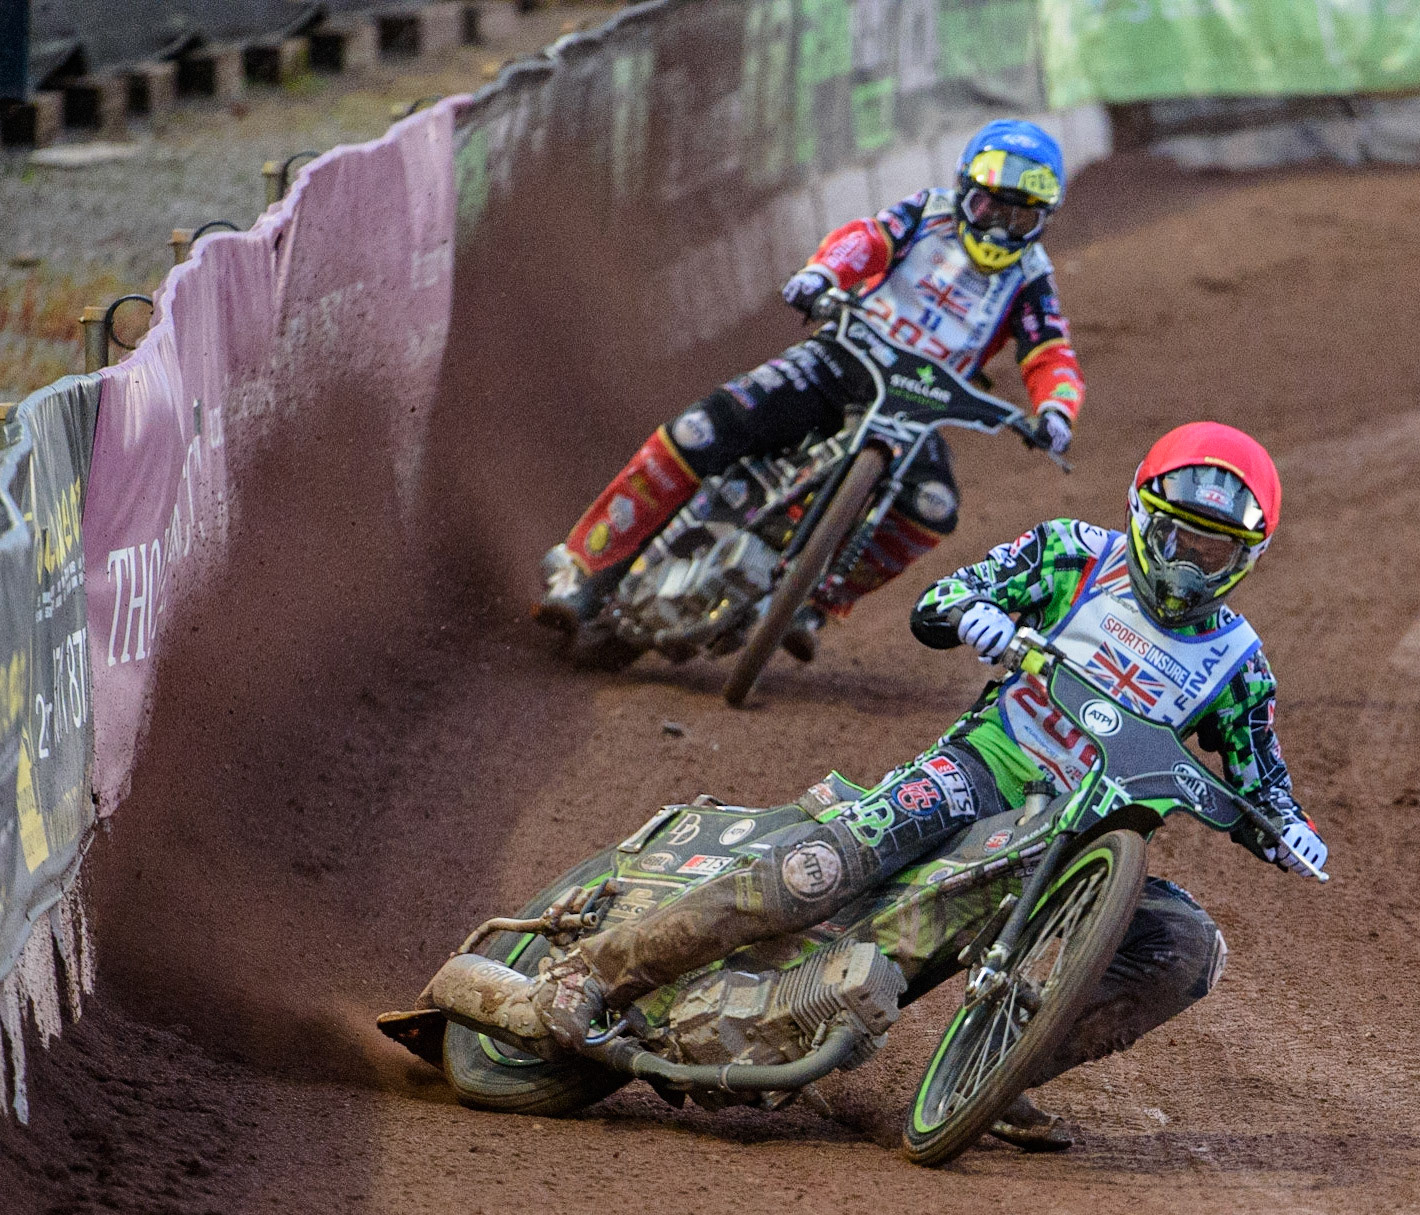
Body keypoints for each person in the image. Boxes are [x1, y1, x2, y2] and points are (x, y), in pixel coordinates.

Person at [483, 422, 1329, 1149]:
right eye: (1178, 536)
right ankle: (587, 975)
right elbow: (943, 597)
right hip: (980, 775)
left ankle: (1004, 1059)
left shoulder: (1237, 664)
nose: (1186, 564)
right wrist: (980, 614)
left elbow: (1260, 779)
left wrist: (1290, 828)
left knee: (1185, 947)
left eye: (1210, 550)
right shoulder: (1073, 553)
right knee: (821, 870)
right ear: (1146, 517)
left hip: (1081, 849)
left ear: (1243, 558)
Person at [535, 119, 1087, 660]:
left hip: (921, 404)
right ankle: (584, 570)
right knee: (699, 431)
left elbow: (1050, 352)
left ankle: (811, 603)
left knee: (932, 508)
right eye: (988, 207)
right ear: (965, 192)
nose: (997, 228)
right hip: (842, 358)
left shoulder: (1031, 278)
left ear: (1041, 222)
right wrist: (823, 275)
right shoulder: (927, 213)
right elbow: (866, 240)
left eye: (1018, 217)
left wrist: (1056, 411)